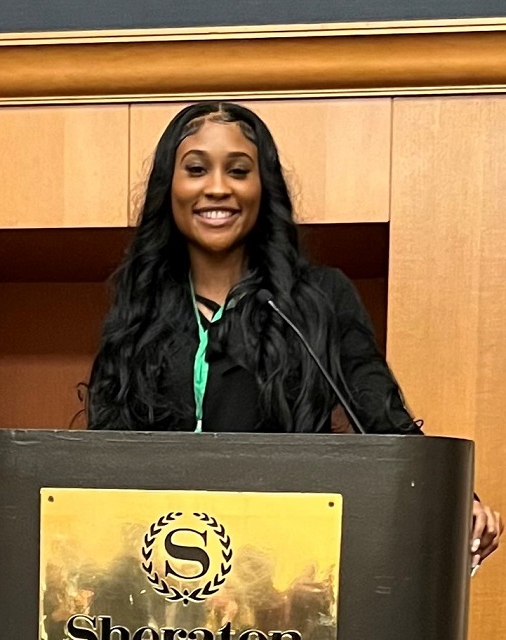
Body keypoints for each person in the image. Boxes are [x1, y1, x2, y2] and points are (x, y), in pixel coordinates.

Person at [87, 101, 501, 568]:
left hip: (283, 575)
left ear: (263, 189)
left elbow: (379, 414)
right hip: (158, 570)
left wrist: (454, 499)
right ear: (170, 187)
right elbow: (105, 448)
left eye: (239, 171)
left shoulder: (316, 298)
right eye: (197, 169)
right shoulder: (139, 305)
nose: (218, 188)